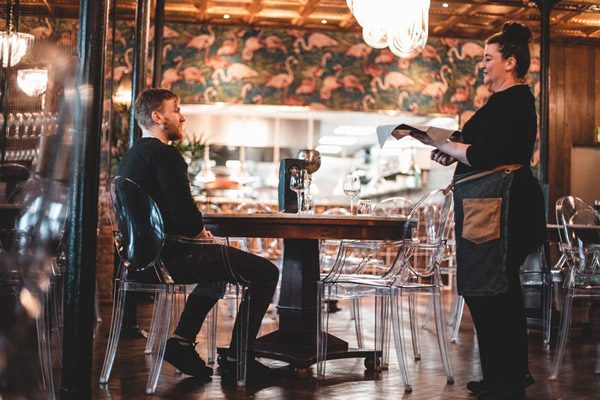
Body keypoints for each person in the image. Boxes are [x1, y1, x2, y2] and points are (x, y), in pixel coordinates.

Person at [411, 22, 546, 400]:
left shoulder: (516, 100)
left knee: (496, 291)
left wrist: (446, 145)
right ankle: (502, 376)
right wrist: (445, 148)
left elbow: (486, 154)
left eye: (488, 58)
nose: (482, 66)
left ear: (511, 61)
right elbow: (470, 146)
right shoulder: (499, 103)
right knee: (492, 291)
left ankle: (507, 379)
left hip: (505, 208)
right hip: (489, 207)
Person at [117, 88, 281, 383]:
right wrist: (201, 234)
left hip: (145, 259)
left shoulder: (132, 156)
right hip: (174, 256)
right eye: (176, 110)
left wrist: (198, 235)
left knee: (217, 273)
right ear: (158, 117)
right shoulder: (165, 155)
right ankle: (239, 358)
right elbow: (184, 216)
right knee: (266, 272)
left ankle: (181, 342)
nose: (182, 117)